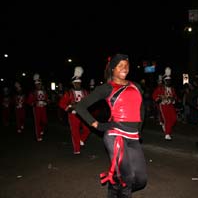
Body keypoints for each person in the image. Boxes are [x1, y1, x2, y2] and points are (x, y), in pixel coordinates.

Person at [74, 53, 147, 197]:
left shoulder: (136, 86)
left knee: (141, 179)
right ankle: (119, 188)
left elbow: (141, 108)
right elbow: (80, 106)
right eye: (120, 65)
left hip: (132, 136)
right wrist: (98, 125)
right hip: (115, 135)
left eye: (126, 65)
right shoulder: (107, 88)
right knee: (127, 178)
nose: (124, 68)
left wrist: (138, 130)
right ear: (112, 68)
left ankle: (114, 186)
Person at [58, 66, 91, 155]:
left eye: (79, 83)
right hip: (73, 115)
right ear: (73, 83)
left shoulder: (85, 92)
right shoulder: (68, 92)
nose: (77, 84)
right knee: (75, 131)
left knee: (88, 129)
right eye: (76, 83)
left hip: (83, 114)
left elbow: (89, 102)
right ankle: (77, 149)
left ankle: (81, 140)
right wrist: (70, 107)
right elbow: (61, 104)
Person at [152, 67, 178, 140]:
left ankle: (165, 126)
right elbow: (154, 95)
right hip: (163, 105)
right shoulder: (161, 88)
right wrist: (159, 99)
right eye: (167, 80)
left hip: (170, 105)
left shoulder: (172, 89)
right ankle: (167, 133)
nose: (168, 82)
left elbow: (175, 96)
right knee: (167, 119)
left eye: (169, 80)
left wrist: (174, 99)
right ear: (164, 81)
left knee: (174, 119)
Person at [27, 73, 49, 142]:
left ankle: (41, 129)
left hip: (43, 108)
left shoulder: (44, 91)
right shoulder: (33, 92)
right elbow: (29, 101)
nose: (39, 85)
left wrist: (46, 102)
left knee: (44, 121)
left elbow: (47, 99)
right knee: (37, 122)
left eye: (39, 84)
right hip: (36, 108)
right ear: (35, 85)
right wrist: (35, 103)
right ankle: (38, 136)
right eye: (37, 84)